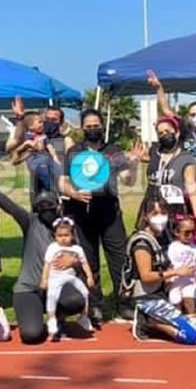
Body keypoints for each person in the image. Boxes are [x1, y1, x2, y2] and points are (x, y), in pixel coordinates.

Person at [0, 176, 88, 345]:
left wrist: (74, 262)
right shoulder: (31, 222)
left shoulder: (68, 228)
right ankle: (40, 319)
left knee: (75, 300)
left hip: (58, 286)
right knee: (31, 335)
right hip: (29, 289)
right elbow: (12, 209)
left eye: (49, 206)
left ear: (58, 206)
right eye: (41, 207)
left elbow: (82, 259)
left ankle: (59, 318)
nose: (46, 210)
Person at [60, 108, 140, 324]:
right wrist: (74, 193)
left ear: (102, 126)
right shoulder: (74, 152)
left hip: (110, 214)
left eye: (96, 126)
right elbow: (63, 182)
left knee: (120, 260)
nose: (92, 129)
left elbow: (128, 180)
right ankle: (95, 306)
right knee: (89, 261)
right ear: (83, 128)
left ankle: (124, 304)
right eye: (88, 126)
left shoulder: (113, 151)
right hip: (82, 214)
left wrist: (133, 163)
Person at [121, 201, 196, 345]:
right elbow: (146, 276)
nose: (160, 218)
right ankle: (147, 321)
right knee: (191, 336)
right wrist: (175, 272)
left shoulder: (164, 238)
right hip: (146, 296)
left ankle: (160, 318)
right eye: (155, 213)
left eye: (163, 213)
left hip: (163, 292)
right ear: (145, 217)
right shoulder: (142, 243)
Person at [41, 217, 95, 340]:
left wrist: (89, 277)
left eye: (66, 235)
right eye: (59, 235)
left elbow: (84, 263)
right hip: (55, 277)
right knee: (52, 295)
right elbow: (47, 265)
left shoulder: (77, 249)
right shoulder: (53, 248)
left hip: (71, 277)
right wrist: (44, 279)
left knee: (85, 292)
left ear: (72, 235)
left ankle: (84, 317)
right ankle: (52, 319)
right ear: (55, 235)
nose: (63, 238)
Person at [166, 216, 196, 328]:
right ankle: (177, 318)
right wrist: (168, 277)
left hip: (189, 280)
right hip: (176, 279)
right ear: (177, 233)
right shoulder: (173, 247)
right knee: (175, 299)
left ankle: (191, 317)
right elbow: (169, 263)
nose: (190, 236)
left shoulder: (194, 248)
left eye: (193, 232)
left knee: (189, 297)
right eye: (187, 233)